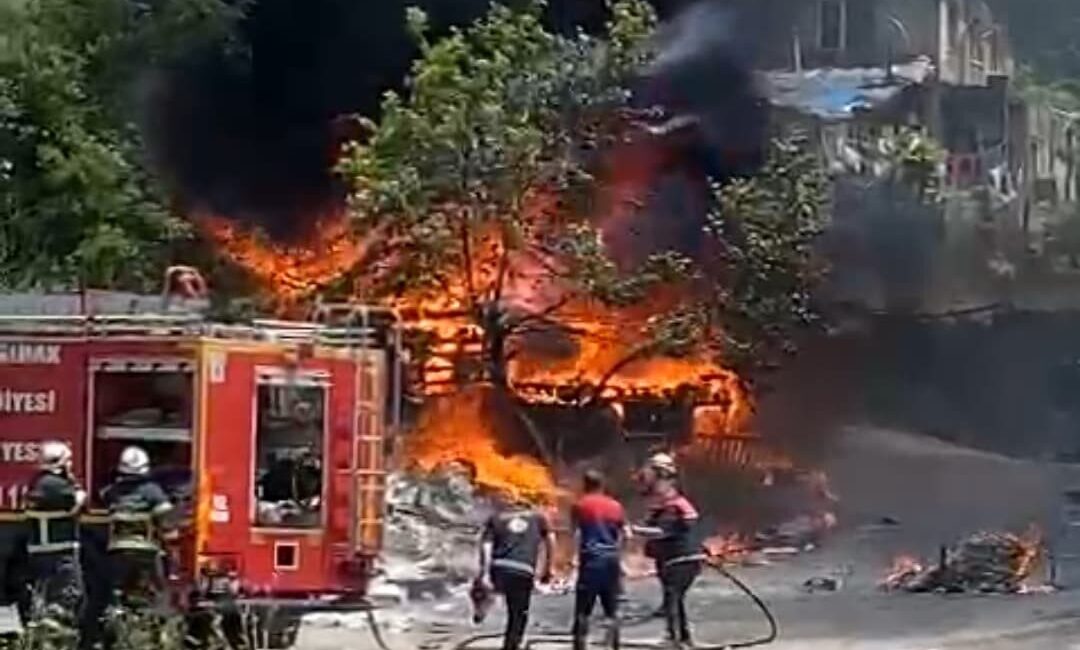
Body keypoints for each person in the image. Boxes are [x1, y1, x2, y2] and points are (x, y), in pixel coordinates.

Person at [633, 453, 704, 649]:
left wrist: (632, 530)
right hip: (677, 560)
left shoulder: (673, 507)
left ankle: (675, 640)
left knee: (672, 599)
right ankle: (682, 637)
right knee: (674, 599)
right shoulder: (670, 504)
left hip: (680, 561)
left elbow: (662, 532)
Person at [101, 446, 177, 613]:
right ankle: (157, 622)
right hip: (145, 551)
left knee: (117, 591)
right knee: (158, 591)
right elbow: (166, 517)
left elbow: (104, 500)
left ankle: (116, 618)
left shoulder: (113, 491)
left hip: (117, 551)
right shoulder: (152, 490)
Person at [477, 493, 556, 650]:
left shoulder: (496, 518)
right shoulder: (539, 518)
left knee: (481, 587)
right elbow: (550, 540)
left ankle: (483, 604)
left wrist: (484, 573)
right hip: (523, 570)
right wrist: (548, 568)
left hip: (498, 567)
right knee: (518, 614)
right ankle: (511, 645)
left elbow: (485, 546)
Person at [22, 441, 86, 619]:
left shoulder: (38, 482)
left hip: (38, 551)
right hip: (59, 551)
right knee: (67, 596)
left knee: (44, 595)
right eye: (68, 460)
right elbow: (76, 503)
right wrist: (79, 492)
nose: (71, 464)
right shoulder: (56, 485)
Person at [570, 470, 626, 650]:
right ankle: (614, 645)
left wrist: (573, 558)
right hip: (611, 560)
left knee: (583, 611)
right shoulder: (616, 506)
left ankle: (580, 646)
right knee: (612, 609)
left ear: (585, 485)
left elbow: (576, 533)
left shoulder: (580, 505)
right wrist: (618, 555)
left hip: (591, 561)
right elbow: (625, 534)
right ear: (602, 485)